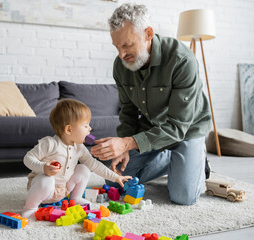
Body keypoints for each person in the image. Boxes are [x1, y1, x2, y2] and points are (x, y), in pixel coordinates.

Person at [90, 3, 212, 205]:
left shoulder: (182, 61)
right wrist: (123, 148)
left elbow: (177, 127)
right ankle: (171, 159)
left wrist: (127, 143)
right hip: (152, 129)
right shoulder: (121, 66)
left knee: (183, 197)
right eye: (117, 47)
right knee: (114, 182)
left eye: (127, 45)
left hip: (187, 130)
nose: (121, 54)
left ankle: (195, 158)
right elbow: (127, 112)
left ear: (148, 34)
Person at [21, 98, 131, 220]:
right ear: (69, 129)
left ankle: (75, 197)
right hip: (44, 189)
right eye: (85, 125)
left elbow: (93, 164)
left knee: (84, 168)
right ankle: (30, 208)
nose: (90, 129)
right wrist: (44, 168)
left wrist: (116, 177)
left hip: (63, 190)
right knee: (47, 180)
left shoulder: (79, 147)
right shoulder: (50, 143)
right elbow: (28, 158)